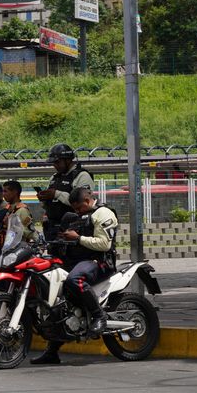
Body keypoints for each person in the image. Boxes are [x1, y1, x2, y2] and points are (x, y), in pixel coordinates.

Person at [31, 187, 118, 365]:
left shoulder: (103, 213)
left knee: (74, 280)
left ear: (87, 201)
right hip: (77, 262)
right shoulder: (75, 217)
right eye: (74, 209)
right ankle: (52, 352)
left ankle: (98, 315)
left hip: (98, 262)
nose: (76, 212)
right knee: (56, 302)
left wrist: (77, 238)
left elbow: (104, 244)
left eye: (79, 208)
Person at [37, 143, 94, 249]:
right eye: (53, 163)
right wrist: (45, 199)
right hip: (53, 228)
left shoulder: (81, 176)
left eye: (57, 162)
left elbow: (82, 202)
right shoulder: (54, 177)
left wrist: (56, 194)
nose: (55, 165)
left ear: (68, 160)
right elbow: (50, 203)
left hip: (72, 228)